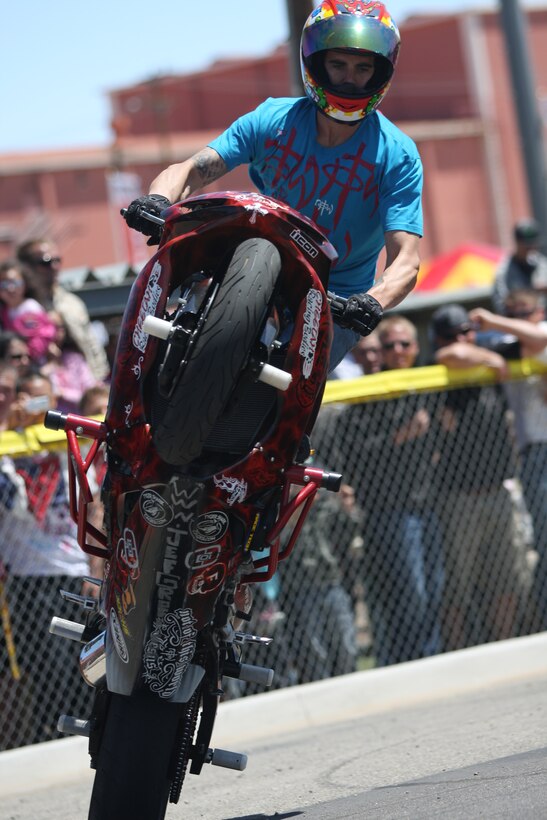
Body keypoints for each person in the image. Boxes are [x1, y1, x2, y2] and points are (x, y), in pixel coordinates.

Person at [123, 1, 423, 371]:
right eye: (338, 64)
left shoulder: (397, 154)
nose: (349, 78)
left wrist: (372, 302)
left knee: (292, 396)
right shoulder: (272, 119)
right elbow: (192, 170)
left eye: (363, 68)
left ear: (382, 72)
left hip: (335, 296)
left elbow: (406, 259)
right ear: (315, 62)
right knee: (171, 308)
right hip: (255, 261)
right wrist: (156, 201)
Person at [335, 315, 445, 666]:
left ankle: (429, 657)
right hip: (388, 510)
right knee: (408, 593)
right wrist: (401, 437)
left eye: (403, 344)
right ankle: (410, 662)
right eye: (389, 345)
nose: (396, 351)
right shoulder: (369, 393)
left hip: (427, 505)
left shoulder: (423, 382)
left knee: (434, 589)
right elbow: (355, 452)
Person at [0, 371, 94, 747]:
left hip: (69, 567)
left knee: (77, 659)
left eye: (47, 400)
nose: (41, 409)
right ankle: (48, 732)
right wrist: (11, 425)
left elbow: (93, 503)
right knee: (39, 664)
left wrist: (93, 565)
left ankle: (83, 725)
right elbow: (10, 501)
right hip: (26, 574)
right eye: (33, 400)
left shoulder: (67, 442)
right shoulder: (7, 445)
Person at [430, 303, 527, 649]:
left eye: (467, 331)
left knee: (505, 579)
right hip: (459, 498)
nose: (463, 338)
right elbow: (450, 354)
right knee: (457, 585)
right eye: (454, 333)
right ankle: (457, 651)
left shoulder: (489, 353)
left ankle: (504, 645)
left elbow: (536, 339)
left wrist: (491, 350)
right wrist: (490, 360)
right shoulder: (445, 365)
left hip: (498, 490)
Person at [469, 291, 547, 632]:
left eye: (524, 312)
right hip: (535, 455)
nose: (518, 319)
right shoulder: (505, 343)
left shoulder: (536, 330)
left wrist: (493, 320)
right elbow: (452, 353)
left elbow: (539, 337)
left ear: (538, 311)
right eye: (511, 313)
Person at [16, 237, 110, 381]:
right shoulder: (18, 306)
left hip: (81, 382)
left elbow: (91, 345)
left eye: (57, 260)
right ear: (26, 267)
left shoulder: (71, 302)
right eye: (45, 262)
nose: (54, 267)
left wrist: (99, 380)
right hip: (42, 385)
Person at [0, 260, 58, 365]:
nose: (10, 288)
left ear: (25, 284)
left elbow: (42, 336)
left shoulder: (30, 308)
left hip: (35, 362)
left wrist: (27, 357)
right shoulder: (4, 311)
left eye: (15, 283)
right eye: (4, 284)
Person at [492, 219, 547, 314]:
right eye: (527, 246)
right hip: (520, 321)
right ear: (517, 243)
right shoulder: (504, 271)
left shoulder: (541, 263)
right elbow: (500, 306)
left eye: (533, 245)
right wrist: (523, 296)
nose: (531, 249)